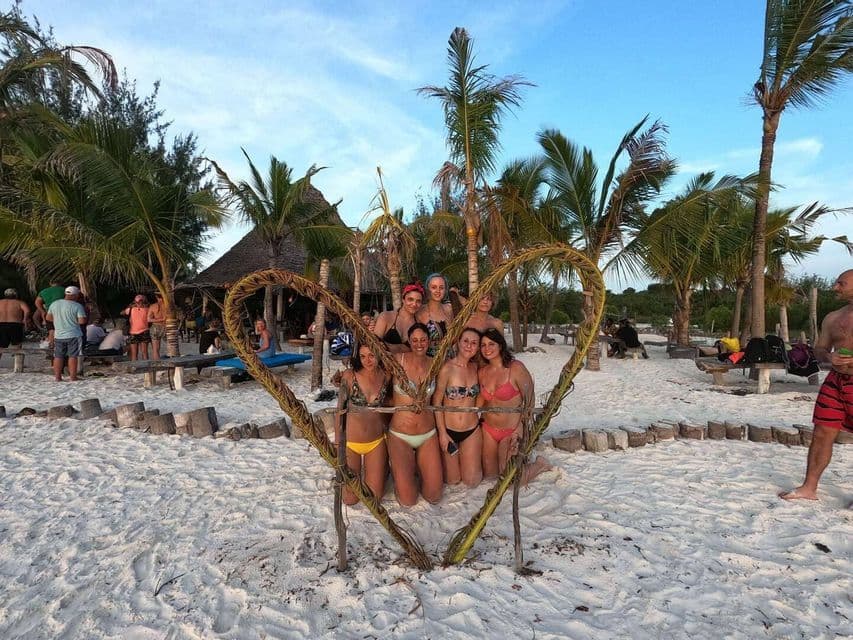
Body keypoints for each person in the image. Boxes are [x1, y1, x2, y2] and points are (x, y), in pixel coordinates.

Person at [780, 269, 853, 502]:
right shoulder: (833, 317)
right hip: (836, 382)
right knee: (822, 433)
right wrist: (829, 357)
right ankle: (809, 488)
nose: (835, 287)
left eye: (841, 283)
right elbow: (819, 349)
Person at [479, 328, 551, 482]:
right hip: (488, 430)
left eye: (491, 344)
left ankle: (539, 465)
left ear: (500, 345)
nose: (487, 349)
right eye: (483, 345)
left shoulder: (516, 368)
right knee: (490, 476)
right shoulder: (482, 371)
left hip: (511, 430)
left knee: (510, 481)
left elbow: (529, 401)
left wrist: (519, 429)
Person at [386, 323, 443, 506]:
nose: (419, 344)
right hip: (400, 435)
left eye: (423, 340)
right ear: (409, 342)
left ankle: (416, 466)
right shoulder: (397, 360)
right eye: (415, 340)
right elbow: (376, 374)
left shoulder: (435, 363)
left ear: (429, 341)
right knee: (408, 500)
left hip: (428, 434)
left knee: (433, 496)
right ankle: (400, 469)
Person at [336, 343, 390, 505]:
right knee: (349, 500)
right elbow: (340, 409)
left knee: (374, 499)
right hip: (351, 442)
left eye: (372, 355)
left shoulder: (386, 375)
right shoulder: (349, 375)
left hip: (376, 441)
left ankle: (382, 470)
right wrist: (338, 442)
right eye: (363, 356)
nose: (368, 360)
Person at [434, 328, 483, 487]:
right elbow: (437, 402)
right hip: (449, 431)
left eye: (474, 343)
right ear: (458, 342)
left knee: (472, 481)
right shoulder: (447, 368)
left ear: (477, 348)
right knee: (453, 480)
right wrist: (442, 433)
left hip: (471, 430)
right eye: (466, 341)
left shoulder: (476, 368)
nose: (469, 346)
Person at [46, 286, 86, 381]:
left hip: (59, 334)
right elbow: (82, 321)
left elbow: (48, 318)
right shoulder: (77, 306)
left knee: (58, 356)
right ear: (75, 295)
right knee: (73, 356)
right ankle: (73, 377)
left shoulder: (54, 304)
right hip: (74, 334)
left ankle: (58, 377)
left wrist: (59, 320)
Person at [373, 283, 424, 354]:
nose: (414, 304)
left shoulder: (419, 324)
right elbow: (373, 344)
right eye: (410, 299)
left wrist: (386, 345)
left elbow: (418, 351)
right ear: (403, 299)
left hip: (406, 364)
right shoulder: (386, 317)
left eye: (418, 301)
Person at [417, 273, 454, 357]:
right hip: (430, 362)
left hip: (450, 360)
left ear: (445, 290)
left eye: (441, 288)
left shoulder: (449, 309)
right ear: (427, 289)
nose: (438, 291)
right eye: (434, 287)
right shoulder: (419, 311)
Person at [0, 288, 31, 362]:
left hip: (1, 324)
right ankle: (18, 365)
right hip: (15, 324)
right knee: (17, 345)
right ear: (16, 295)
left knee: (0, 346)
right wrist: (25, 319)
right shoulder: (19, 302)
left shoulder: (0, 302)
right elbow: (27, 310)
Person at [35, 281, 65, 348]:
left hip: (49, 313)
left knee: (51, 330)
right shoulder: (64, 290)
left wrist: (42, 311)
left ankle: (51, 347)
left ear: (50, 283)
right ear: (60, 283)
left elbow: (37, 302)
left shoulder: (43, 291)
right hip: (62, 313)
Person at [122, 294, 151, 361]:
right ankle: (146, 368)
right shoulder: (148, 309)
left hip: (133, 332)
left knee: (134, 353)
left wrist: (130, 306)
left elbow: (122, 312)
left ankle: (135, 367)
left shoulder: (131, 309)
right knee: (144, 353)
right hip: (144, 331)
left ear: (135, 302)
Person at [147, 292, 167, 360]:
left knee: (156, 349)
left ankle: (157, 365)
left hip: (156, 327)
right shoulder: (168, 306)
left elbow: (149, 319)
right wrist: (163, 319)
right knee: (171, 347)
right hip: (166, 326)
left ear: (156, 297)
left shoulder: (153, 306)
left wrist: (159, 319)